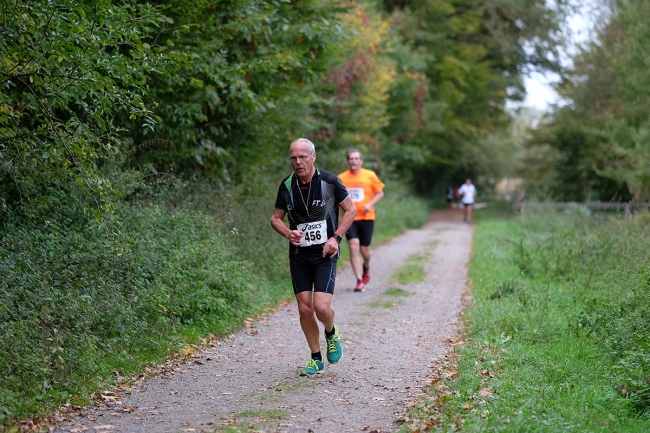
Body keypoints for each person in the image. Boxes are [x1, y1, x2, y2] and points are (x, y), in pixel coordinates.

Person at [270, 138, 357, 376]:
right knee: (305, 309)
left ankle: (331, 332)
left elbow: (350, 210)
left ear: (313, 157)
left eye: (302, 157)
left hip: (325, 253)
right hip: (299, 254)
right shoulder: (287, 186)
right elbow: (275, 218)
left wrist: (336, 238)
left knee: (320, 307)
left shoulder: (329, 181)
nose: (298, 162)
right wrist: (288, 232)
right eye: (293, 158)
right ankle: (316, 358)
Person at [338, 149, 385, 292]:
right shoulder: (341, 177)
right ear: (348, 161)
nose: (353, 161)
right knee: (353, 246)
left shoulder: (369, 175)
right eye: (351, 159)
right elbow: (336, 197)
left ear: (361, 161)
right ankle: (359, 280)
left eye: (356, 158)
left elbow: (380, 193)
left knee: (365, 250)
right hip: (349, 218)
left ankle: (366, 266)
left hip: (366, 217)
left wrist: (370, 204)